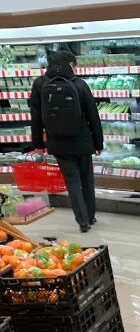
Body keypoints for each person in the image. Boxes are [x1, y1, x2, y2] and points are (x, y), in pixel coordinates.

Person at [29, 48, 103, 233]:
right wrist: (98, 143)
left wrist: (38, 144)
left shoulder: (39, 84)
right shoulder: (79, 84)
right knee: (86, 180)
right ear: (69, 65)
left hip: (58, 143)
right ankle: (91, 215)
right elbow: (93, 115)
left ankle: (82, 221)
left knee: (72, 182)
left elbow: (36, 117)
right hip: (83, 141)